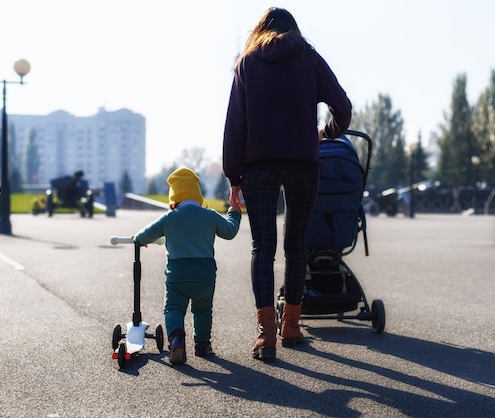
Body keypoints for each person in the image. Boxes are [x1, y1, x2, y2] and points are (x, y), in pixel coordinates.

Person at [222, 7, 352, 360]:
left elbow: (236, 123)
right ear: (293, 29)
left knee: (262, 249)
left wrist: (234, 177)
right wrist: (325, 134)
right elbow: (342, 105)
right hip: (302, 165)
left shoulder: (247, 62)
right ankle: (291, 326)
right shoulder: (308, 57)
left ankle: (266, 336)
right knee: (296, 245)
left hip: (259, 168)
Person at [133, 167, 242, 364]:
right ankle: (202, 345)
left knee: (173, 308)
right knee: (202, 310)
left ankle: (176, 340)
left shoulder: (169, 218)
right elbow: (230, 231)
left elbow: (143, 236)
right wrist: (234, 212)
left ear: (174, 196)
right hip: (205, 274)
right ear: (197, 194)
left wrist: (138, 239)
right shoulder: (209, 216)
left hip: (178, 275)